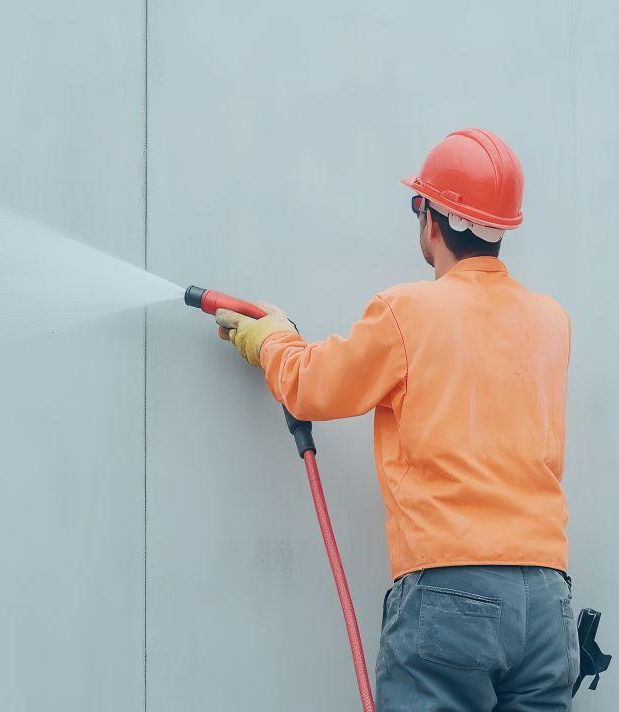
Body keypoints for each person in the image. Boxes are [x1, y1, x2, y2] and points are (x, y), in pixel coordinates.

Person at [215, 129, 577, 711]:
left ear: (431, 217)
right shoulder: (551, 321)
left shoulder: (407, 312)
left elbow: (312, 386)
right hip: (546, 601)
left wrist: (270, 340)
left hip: (452, 592)